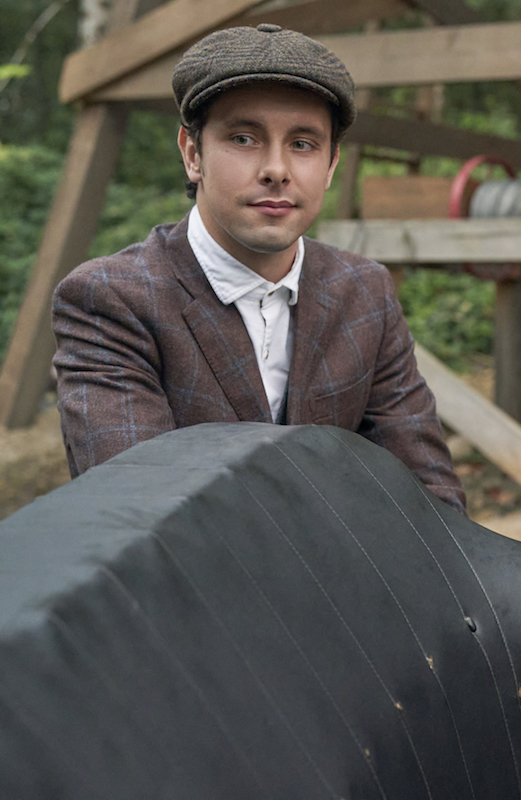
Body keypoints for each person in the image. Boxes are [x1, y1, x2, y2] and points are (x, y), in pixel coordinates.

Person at [52, 24, 466, 513]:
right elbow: (139, 518)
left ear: (332, 164)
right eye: (244, 138)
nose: (276, 168)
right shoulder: (111, 299)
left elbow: (432, 506)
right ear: (192, 153)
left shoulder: (365, 292)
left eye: (303, 144)